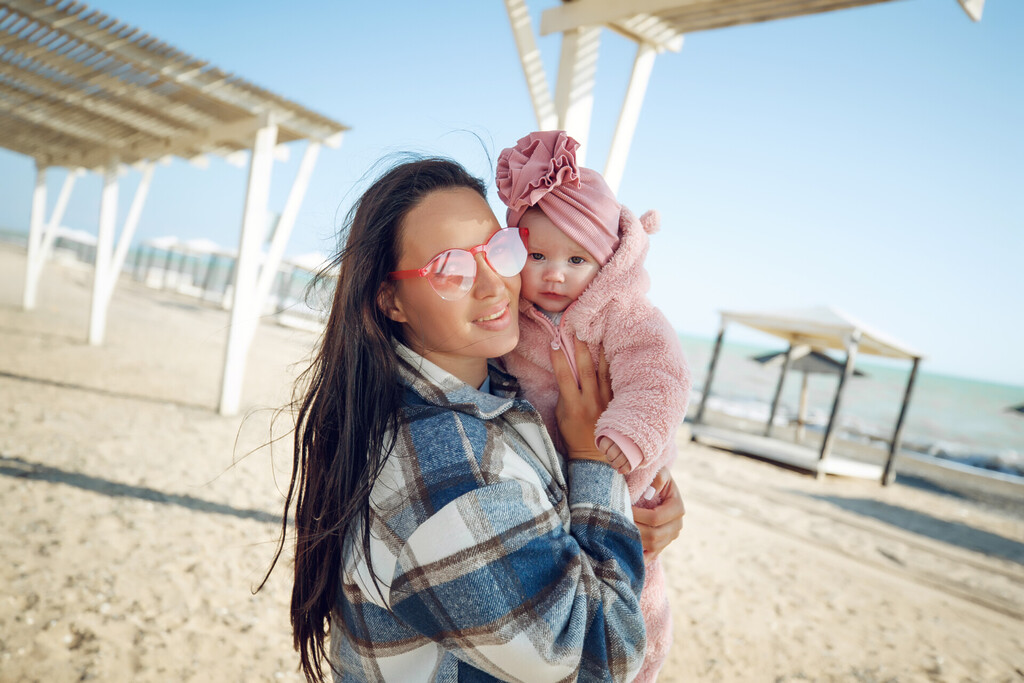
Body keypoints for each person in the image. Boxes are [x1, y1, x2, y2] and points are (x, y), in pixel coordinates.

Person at [264, 157, 686, 682]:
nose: (493, 285)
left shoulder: (497, 391)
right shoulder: (438, 467)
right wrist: (595, 465)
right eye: (451, 269)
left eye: (498, 250)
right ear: (390, 299)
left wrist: (633, 513)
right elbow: (600, 655)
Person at [497, 130, 692, 682]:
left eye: (576, 259)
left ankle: (644, 665)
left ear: (607, 263)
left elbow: (662, 377)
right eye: (536, 255)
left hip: (622, 473)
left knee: (642, 583)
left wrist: (626, 435)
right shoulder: (515, 315)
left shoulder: (624, 314)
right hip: (555, 479)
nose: (554, 273)